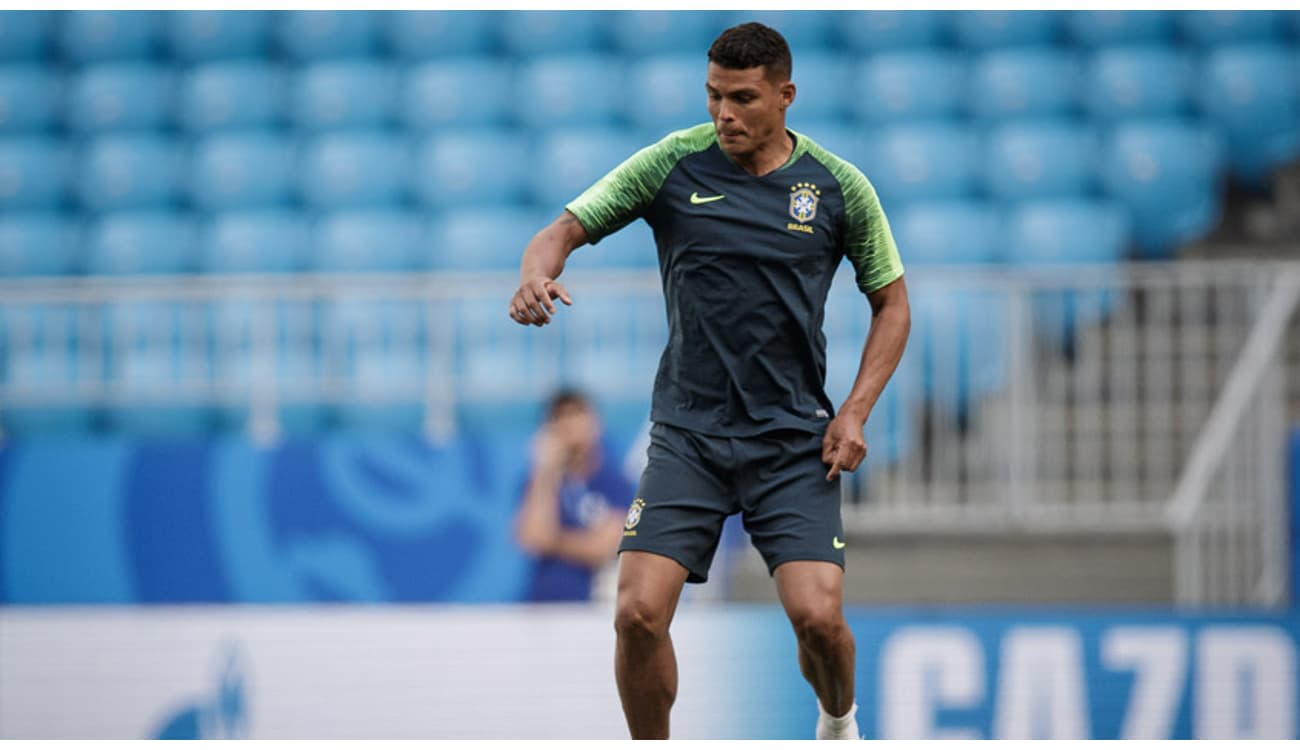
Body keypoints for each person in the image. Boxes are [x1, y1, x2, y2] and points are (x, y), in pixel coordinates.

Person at [508, 22, 909, 740]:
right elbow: (561, 230)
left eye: (743, 99)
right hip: (689, 437)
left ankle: (838, 719)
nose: (723, 114)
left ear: (785, 97)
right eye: (714, 96)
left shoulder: (840, 188)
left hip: (792, 441)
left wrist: (853, 411)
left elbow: (893, 305)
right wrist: (537, 271)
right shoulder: (672, 165)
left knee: (819, 619)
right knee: (635, 613)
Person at [514, 388, 632, 602]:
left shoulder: (615, 482)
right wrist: (544, 471)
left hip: (594, 607)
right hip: (544, 606)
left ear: (595, 422)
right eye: (560, 417)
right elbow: (530, 536)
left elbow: (603, 549)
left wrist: (552, 539)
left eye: (577, 414)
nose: (569, 424)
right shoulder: (540, 480)